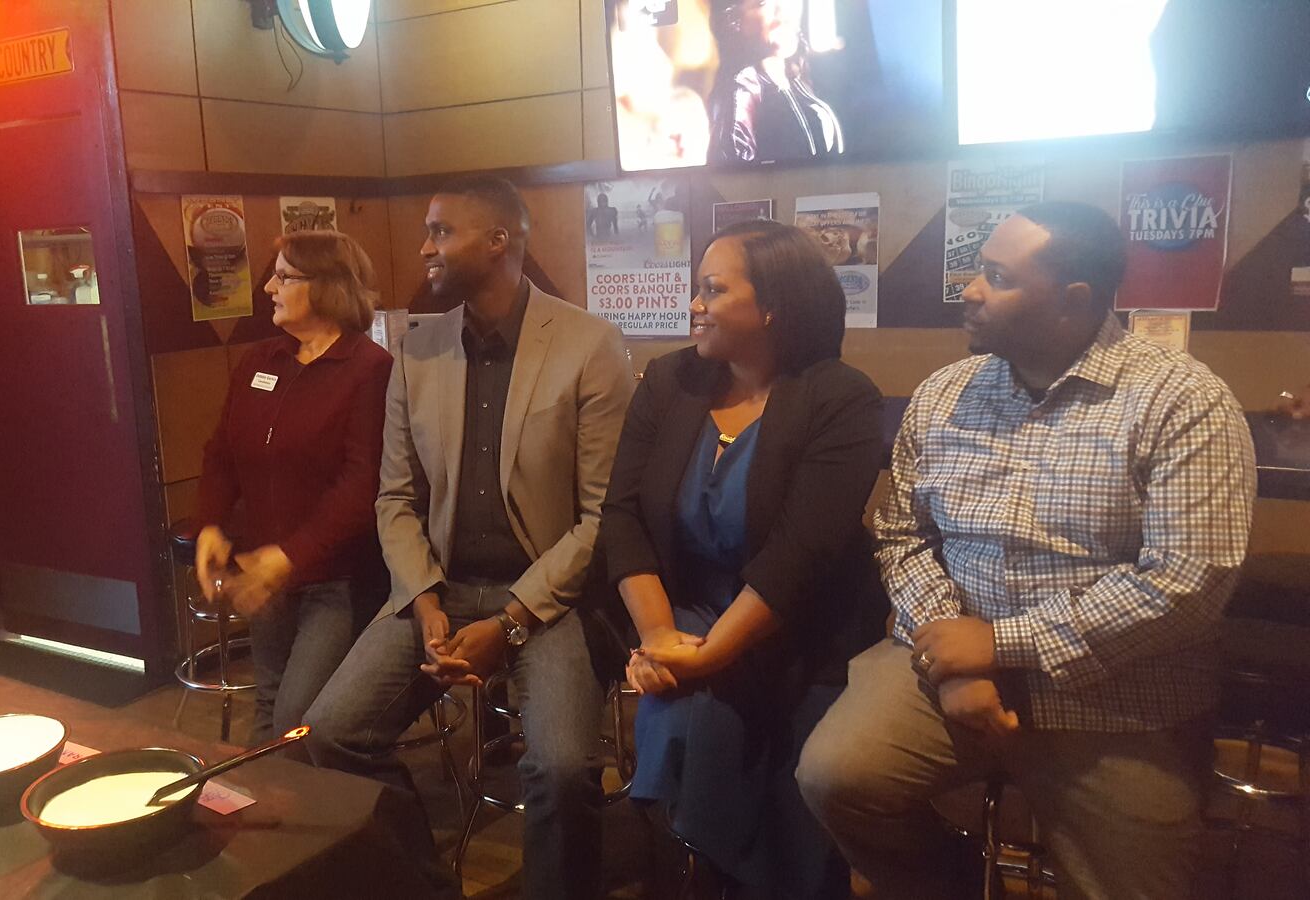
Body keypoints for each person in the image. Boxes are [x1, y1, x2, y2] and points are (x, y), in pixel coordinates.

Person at [796, 201, 1257, 900]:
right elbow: (901, 533)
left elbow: (1188, 581)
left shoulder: (1181, 398)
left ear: (1072, 302)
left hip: (1118, 699)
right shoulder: (945, 392)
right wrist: (948, 659)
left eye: (996, 277)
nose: (970, 291)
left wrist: (999, 644)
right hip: (944, 668)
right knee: (834, 777)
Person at [303, 176, 634, 900]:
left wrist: (511, 623)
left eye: (441, 231)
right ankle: (427, 886)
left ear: (499, 241)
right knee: (333, 732)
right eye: (427, 230)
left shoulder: (589, 345)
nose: (425, 246)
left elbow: (602, 517)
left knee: (563, 767)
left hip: (548, 596)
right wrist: (423, 600)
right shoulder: (417, 348)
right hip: (440, 588)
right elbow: (395, 496)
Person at [601, 220, 883, 897]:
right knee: (682, 722)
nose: (693, 305)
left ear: (773, 306)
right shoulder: (670, 381)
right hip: (685, 619)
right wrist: (658, 637)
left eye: (712, 289)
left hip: (800, 635)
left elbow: (801, 556)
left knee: (776, 791)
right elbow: (623, 516)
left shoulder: (840, 397)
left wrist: (706, 657)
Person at [193, 230, 393, 746]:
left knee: (294, 722)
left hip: (337, 582)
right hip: (266, 574)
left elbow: (361, 486)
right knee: (268, 704)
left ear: (327, 286)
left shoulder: (369, 369)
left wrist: (290, 555)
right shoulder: (261, 360)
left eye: (284, 276)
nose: (268, 288)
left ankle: (337, 820)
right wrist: (211, 523)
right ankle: (270, 816)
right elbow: (221, 454)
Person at [709, 0, 843, 163]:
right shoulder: (744, 87)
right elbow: (733, 174)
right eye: (764, 3)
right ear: (734, 20)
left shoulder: (797, 76)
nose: (783, 11)